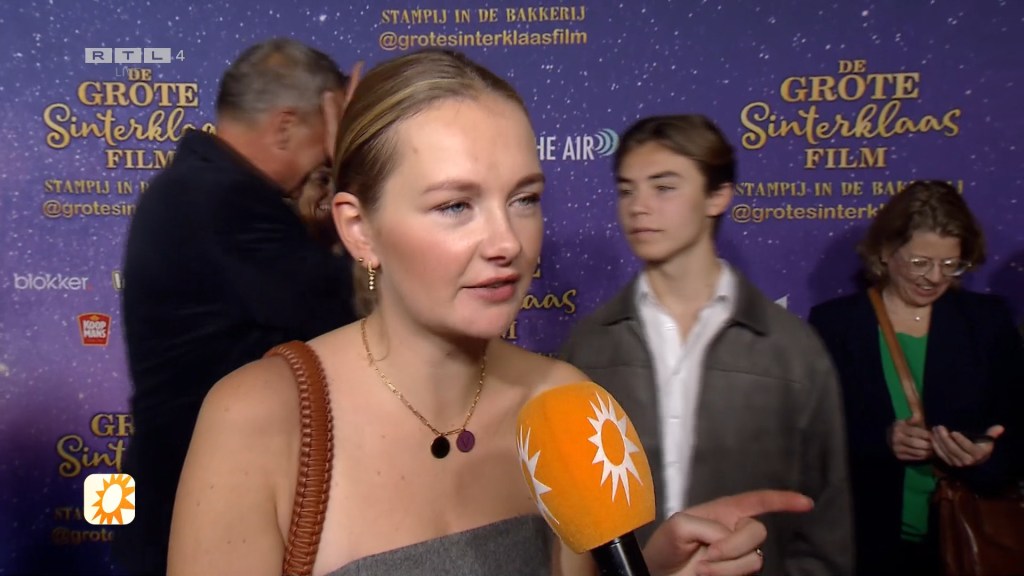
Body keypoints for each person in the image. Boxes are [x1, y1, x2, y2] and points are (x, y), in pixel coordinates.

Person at [166, 50, 813, 576]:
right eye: (456, 205)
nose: (507, 242)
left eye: (524, 199)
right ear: (359, 230)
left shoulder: (565, 404)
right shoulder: (257, 420)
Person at [560, 115, 854, 576]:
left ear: (717, 196)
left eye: (664, 187)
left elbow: (826, 525)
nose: (638, 207)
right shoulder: (588, 348)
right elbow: (566, 520)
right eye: (626, 190)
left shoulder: (792, 350)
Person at [117, 38, 361, 575]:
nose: (327, 154)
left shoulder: (196, 187)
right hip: (196, 512)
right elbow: (354, 315)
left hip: (189, 498)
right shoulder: (223, 199)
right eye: (330, 133)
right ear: (284, 127)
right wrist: (357, 170)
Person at [808, 180, 1024, 575]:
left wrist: (986, 457)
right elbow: (811, 437)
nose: (935, 278)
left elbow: (1016, 429)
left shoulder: (987, 322)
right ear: (885, 252)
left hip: (962, 540)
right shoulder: (835, 325)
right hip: (865, 544)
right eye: (920, 262)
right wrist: (882, 440)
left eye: (951, 264)